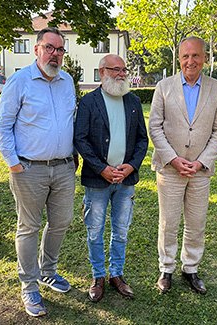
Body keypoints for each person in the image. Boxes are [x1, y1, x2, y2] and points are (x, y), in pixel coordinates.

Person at [0, 27, 76, 317]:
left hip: (64, 168)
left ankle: (48, 271)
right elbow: (2, 127)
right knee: (28, 227)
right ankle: (29, 285)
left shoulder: (67, 81)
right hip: (29, 169)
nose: (55, 54)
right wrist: (14, 164)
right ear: (37, 49)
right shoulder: (19, 82)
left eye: (60, 49)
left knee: (62, 222)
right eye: (50, 48)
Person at [149, 36, 217, 294]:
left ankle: (190, 268)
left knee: (196, 222)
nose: (190, 61)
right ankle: (166, 268)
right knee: (168, 222)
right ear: (179, 58)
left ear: (204, 57)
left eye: (195, 56)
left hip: (200, 171)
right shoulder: (163, 86)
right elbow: (155, 126)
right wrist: (173, 158)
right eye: (185, 56)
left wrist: (202, 162)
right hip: (170, 169)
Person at [74, 54, 148, 302]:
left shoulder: (134, 101)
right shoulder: (89, 102)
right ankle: (98, 276)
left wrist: (131, 166)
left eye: (123, 70)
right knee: (95, 231)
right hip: (98, 181)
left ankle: (116, 274)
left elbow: (142, 140)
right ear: (102, 71)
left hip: (125, 181)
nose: (121, 74)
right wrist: (101, 168)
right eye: (115, 70)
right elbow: (80, 140)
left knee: (122, 231)